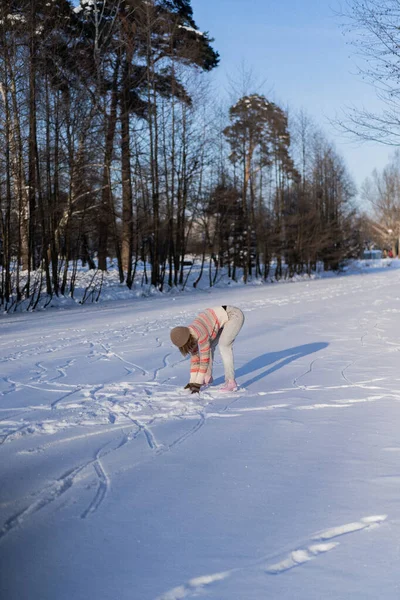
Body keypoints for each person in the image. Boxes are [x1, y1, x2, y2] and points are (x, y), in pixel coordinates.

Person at [170, 305, 244, 394]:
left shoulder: (200, 334)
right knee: (210, 347)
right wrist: (192, 382)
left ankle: (231, 382)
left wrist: (197, 384)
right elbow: (195, 359)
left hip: (233, 315)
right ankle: (208, 377)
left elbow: (204, 360)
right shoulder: (190, 335)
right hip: (219, 321)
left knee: (224, 345)